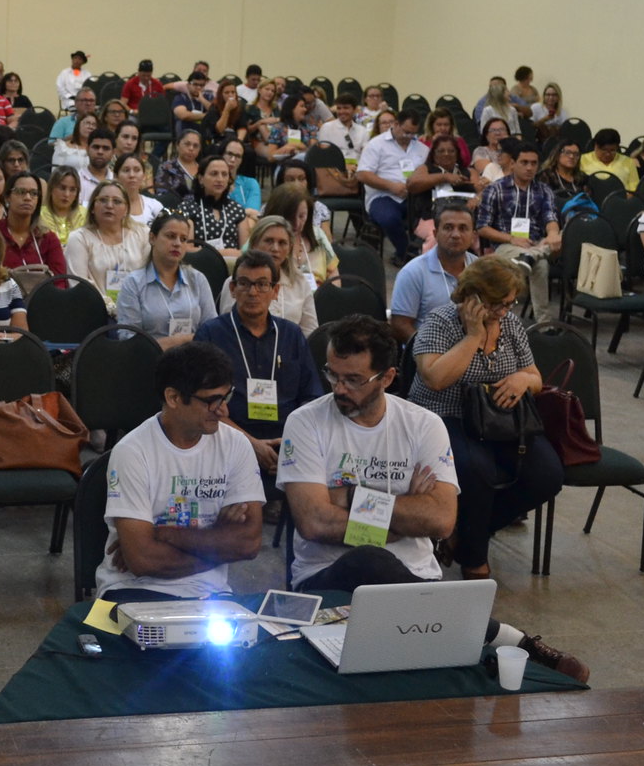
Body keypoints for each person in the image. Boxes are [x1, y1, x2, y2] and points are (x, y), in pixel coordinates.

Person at [272, 315, 589, 680]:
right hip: (324, 575)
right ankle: (506, 639)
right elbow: (314, 522)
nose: (339, 389)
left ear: (388, 377)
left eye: (354, 380)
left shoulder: (424, 425)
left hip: (418, 576)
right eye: (333, 374)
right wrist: (396, 522)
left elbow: (441, 520)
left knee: (384, 569)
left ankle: (468, 637)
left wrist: (349, 496)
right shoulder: (306, 422)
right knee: (371, 560)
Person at [405, 256, 563, 580]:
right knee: (476, 470)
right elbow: (435, 378)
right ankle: (475, 561)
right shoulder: (441, 322)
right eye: (495, 304)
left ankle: (464, 534)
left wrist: (522, 380)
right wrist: (473, 336)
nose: (503, 312)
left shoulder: (511, 325)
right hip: (445, 416)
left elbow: (535, 377)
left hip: (499, 419)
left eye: (508, 304)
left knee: (547, 474)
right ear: (472, 296)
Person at [93, 342, 263, 601]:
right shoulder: (132, 451)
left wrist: (167, 535)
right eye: (211, 400)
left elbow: (249, 544)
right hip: (133, 590)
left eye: (226, 396)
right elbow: (143, 561)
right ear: (173, 397)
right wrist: (219, 541)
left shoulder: (236, 445)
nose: (224, 410)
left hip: (212, 594)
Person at [194, 250, 321, 479]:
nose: (253, 292)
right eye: (244, 284)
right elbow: (202, 405)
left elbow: (311, 398)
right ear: (232, 289)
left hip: (288, 442)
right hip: (225, 439)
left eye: (262, 285)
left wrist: (291, 442)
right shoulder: (211, 335)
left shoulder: (291, 335)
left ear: (275, 291)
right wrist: (251, 444)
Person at [474, 139, 560, 310]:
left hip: (536, 243)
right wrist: (512, 239)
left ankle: (532, 255)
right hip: (506, 244)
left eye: (534, 163)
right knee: (541, 265)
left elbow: (550, 218)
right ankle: (542, 322)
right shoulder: (496, 189)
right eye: (524, 162)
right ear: (513, 164)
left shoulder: (544, 190)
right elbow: (482, 227)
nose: (529, 168)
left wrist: (552, 234)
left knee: (566, 234)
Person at [115, 213, 217, 349]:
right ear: (152, 238)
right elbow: (129, 340)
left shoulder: (197, 279)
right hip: (150, 362)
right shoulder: (133, 282)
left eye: (184, 239)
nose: (177, 244)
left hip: (194, 362)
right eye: (171, 236)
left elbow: (212, 331)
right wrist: (182, 341)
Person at [387, 198, 479, 345]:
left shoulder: (480, 268)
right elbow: (399, 324)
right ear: (435, 233)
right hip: (428, 355)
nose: (456, 235)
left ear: (473, 236)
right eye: (448, 228)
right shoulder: (413, 272)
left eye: (463, 228)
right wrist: (429, 350)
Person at [229, 213, 320, 331]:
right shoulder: (239, 282)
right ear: (255, 244)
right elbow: (228, 328)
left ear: (289, 248)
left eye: (282, 243)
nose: (275, 248)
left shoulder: (300, 282)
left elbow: (310, 331)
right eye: (268, 241)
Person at [64, 182, 151, 304]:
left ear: (126, 209)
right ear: (93, 207)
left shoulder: (143, 234)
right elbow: (79, 285)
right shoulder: (79, 238)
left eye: (117, 201)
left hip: (138, 309)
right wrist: (111, 307)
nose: (109, 206)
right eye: (103, 200)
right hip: (94, 311)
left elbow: (150, 278)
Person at [357, 109, 428, 251]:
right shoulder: (376, 144)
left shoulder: (422, 148)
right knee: (389, 218)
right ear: (396, 124)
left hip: (413, 197)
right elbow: (362, 174)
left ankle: (424, 254)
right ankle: (407, 254)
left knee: (434, 216)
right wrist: (390, 186)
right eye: (406, 131)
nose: (408, 136)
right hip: (383, 196)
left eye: (412, 133)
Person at [0, 172, 67, 274]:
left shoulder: (48, 239)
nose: (28, 198)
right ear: (7, 197)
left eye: (34, 193)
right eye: (21, 192)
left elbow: (59, 281)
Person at [186, 154, 251, 258]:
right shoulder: (188, 208)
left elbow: (245, 251)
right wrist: (223, 253)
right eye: (214, 174)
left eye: (224, 174)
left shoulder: (237, 209)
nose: (220, 179)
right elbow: (187, 249)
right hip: (199, 264)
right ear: (201, 179)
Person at [38, 165, 89, 244]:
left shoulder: (85, 215)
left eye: (72, 190)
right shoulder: (39, 215)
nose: (67, 194)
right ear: (51, 188)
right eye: (62, 188)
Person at [582, 128, 640, 193]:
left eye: (612, 150)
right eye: (604, 150)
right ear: (596, 146)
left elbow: (634, 190)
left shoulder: (628, 162)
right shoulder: (582, 160)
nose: (608, 154)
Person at [156, 125, 205, 201]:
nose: (191, 148)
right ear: (177, 145)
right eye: (187, 144)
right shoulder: (167, 167)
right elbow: (162, 195)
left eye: (195, 146)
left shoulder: (204, 169)